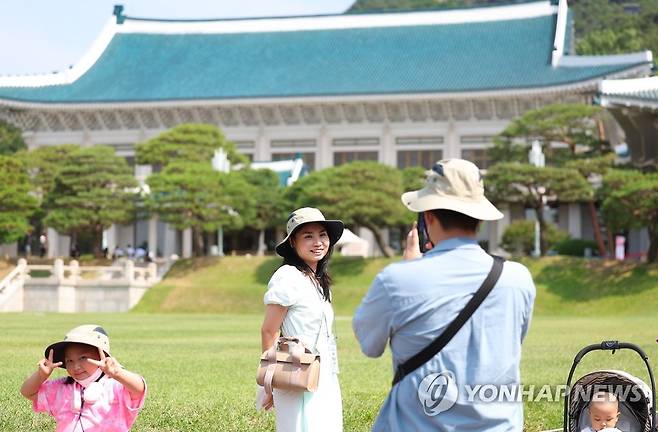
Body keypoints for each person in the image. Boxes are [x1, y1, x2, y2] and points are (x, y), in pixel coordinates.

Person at [353, 159, 536, 431]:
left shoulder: (397, 279)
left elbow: (370, 346)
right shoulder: (517, 278)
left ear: (428, 216)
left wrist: (409, 268)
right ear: (479, 218)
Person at [259, 207, 344, 431]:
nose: (318, 242)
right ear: (293, 243)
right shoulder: (288, 276)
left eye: (322, 235)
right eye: (308, 236)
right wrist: (271, 380)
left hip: (323, 371)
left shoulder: (318, 280)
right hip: (295, 371)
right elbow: (269, 330)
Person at [20, 324, 147, 431]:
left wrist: (118, 373)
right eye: (69, 360)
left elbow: (139, 388)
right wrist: (41, 376)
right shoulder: (61, 387)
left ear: (101, 356)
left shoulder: (115, 387)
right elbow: (27, 392)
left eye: (83, 358)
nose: (76, 366)